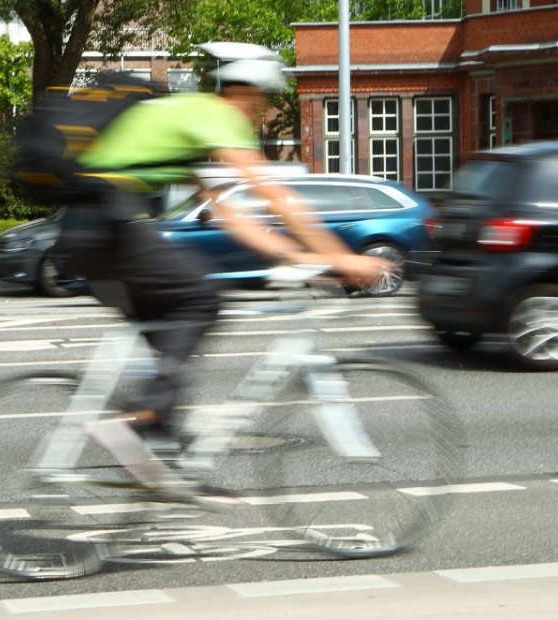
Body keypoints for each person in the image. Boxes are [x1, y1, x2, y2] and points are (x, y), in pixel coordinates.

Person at [52, 42, 390, 490]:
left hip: (87, 232)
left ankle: (158, 464)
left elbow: (233, 218)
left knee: (173, 341)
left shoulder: (186, 117)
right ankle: (137, 425)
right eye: (261, 99)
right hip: (107, 225)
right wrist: (343, 256)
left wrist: (310, 260)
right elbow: (277, 198)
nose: (260, 110)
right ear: (243, 90)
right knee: (200, 301)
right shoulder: (217, 116)